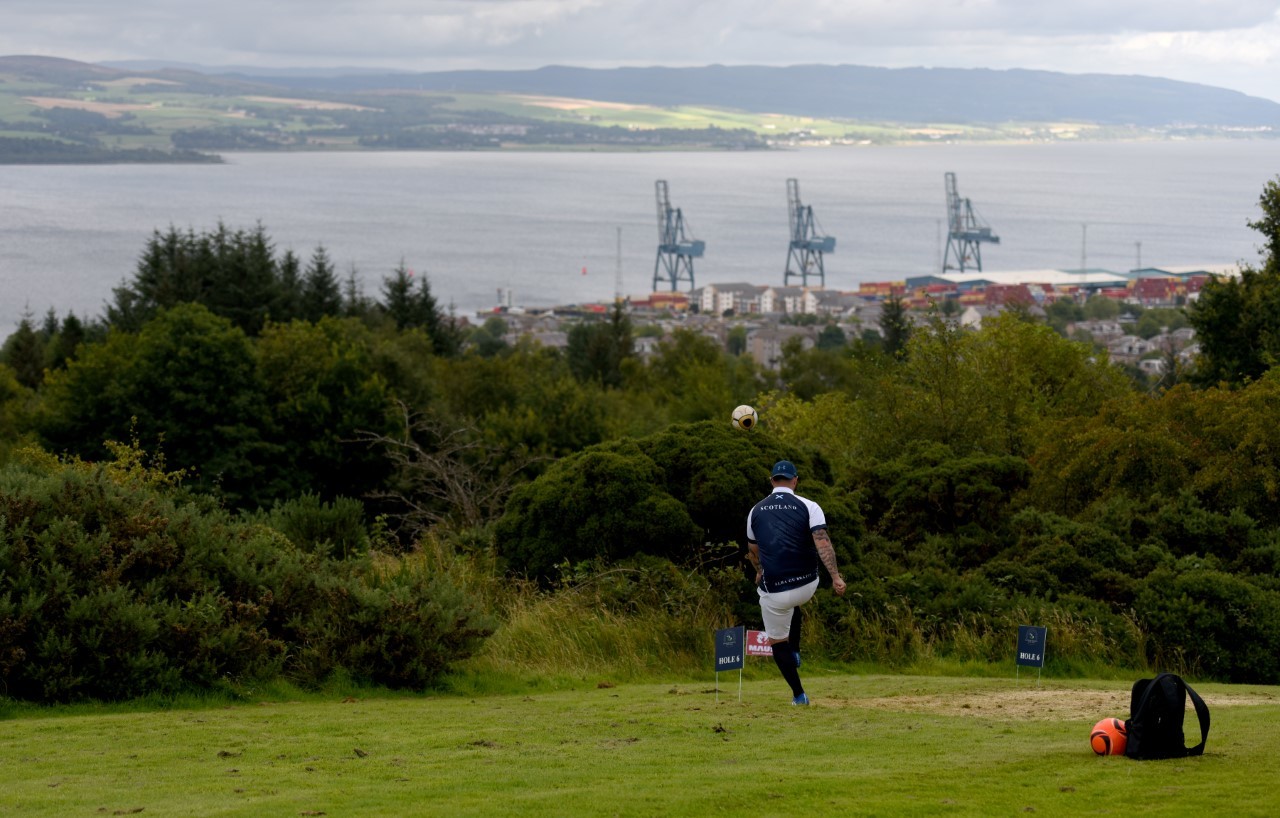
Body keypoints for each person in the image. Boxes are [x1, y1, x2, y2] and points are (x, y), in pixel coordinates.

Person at [746, 459, 846, 705]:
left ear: (771, 481)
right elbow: (822, 543)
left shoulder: (755, 510)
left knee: (776, 640)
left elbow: (752, 550)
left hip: (775, 592)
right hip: (807, 585)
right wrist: (835, 577)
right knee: (795, 602)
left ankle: (798, 694)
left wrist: (759, 571)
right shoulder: (810, 506)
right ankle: (797, 649)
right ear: (795, 481)